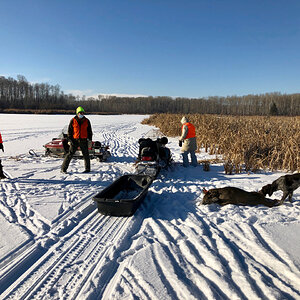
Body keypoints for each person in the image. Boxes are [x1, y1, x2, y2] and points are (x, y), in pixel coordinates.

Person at [61, 106, 93, 173]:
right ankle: (63, 169)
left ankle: (87, 169)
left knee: (86, 155)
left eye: (82, 113)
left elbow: (89, 131)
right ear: (77, 113)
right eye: (80, 113)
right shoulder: (73, 120)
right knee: (69, 155)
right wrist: (70, 139)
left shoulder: (87, 121)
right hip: (74, 140)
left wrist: (89, 140)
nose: (81, 114)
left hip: (84, 140)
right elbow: (69, 131)